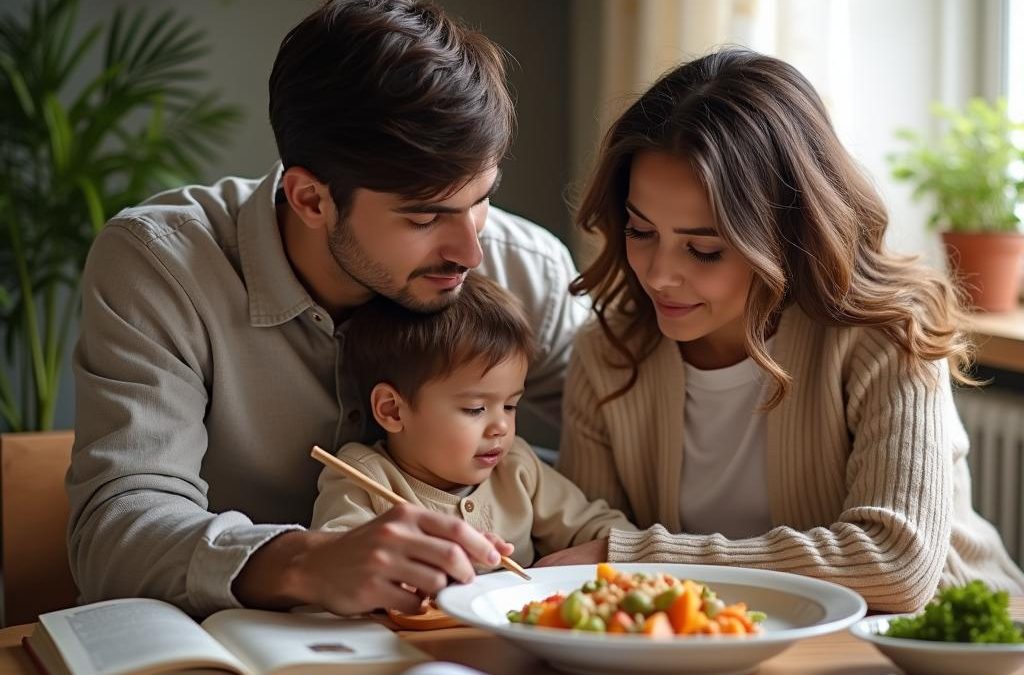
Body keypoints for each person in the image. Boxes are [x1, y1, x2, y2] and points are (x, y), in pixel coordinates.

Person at [67, 0, 588, 619]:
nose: (471, 249)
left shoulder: (525, 265)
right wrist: (304, 561)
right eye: (424, 217)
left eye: (479, 200)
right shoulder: (162, 267)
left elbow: (623, 463)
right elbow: (114, 531)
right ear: (311, 199)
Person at [539, 48, 1024, 611]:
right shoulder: (609, 349)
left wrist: (638, 555)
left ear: (788, 237)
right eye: (641, 231)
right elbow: (582, 551)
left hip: (935, 648)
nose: (661, 276)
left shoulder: (887, 334)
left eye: (704, 249)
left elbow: (895, 566)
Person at [310, 273, 636, 570]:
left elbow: (604, 530)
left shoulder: (517, 467)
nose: (501, 427)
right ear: (392, 410)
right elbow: (337, 566)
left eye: (510, 406)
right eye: (475, 409)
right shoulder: (363, 478)